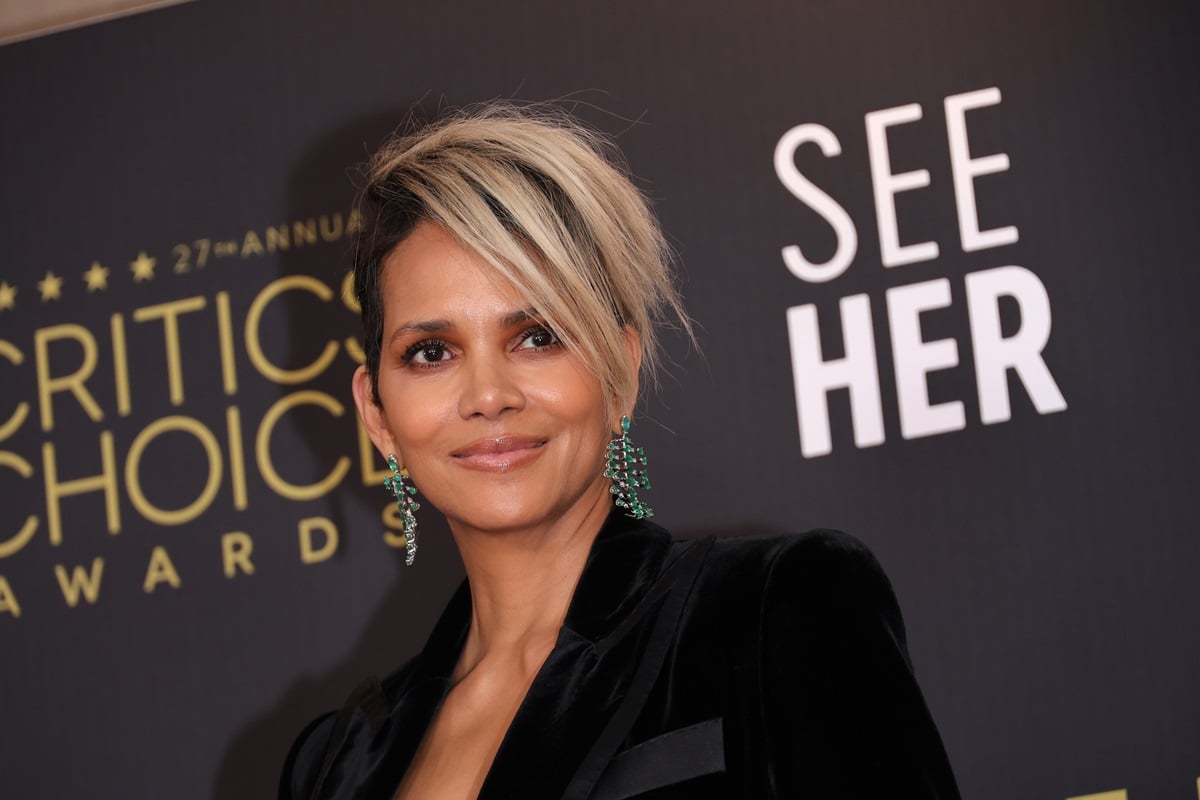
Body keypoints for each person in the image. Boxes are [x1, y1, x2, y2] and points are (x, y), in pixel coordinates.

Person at [280, 102, 960, 799]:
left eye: (537, 336)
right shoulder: (333, 766)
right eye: (431, 352)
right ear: (378, 414)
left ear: (620, 371)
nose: (488, 394)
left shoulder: (774, 613)